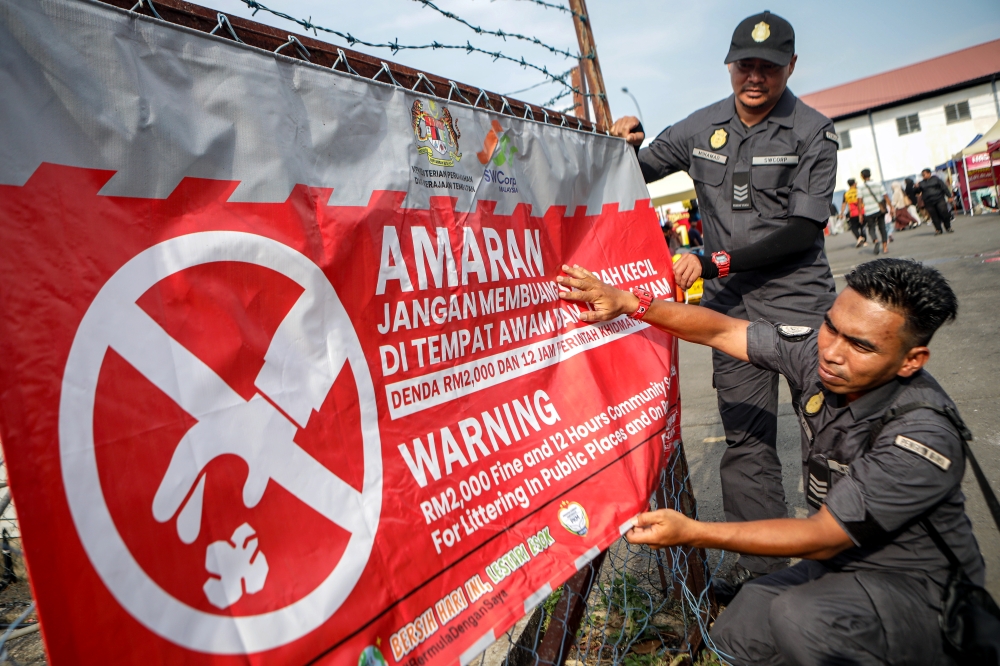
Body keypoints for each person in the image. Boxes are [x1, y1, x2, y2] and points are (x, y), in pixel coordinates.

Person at [556, 259, 983, 665]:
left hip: (921, 590)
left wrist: (695, 532)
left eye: (860, 345)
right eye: (832, 326)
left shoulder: (919, 436)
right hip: (843, 565)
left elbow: (821, 535)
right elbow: (723, 331)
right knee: (739, 631)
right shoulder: (820, 360)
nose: (833, 351)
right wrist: (632, 303)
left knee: (800, 617)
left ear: (912, 360)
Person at [609, 11, 839, 599]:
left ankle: (841, 560)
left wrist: (714, 262)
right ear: (730, 66)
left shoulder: (813, 132)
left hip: (799, 304)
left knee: (832, 437)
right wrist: (622, 141)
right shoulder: (701, 126)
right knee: (747, 442)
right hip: (730, 311)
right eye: (744, 65)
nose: (754, 77)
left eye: (767, 66)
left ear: (791, 66)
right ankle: (765, 579)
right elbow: (635, 170)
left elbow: (802, 231)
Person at [859, 168, 891, 255]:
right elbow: (885, 196)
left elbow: (860, 201)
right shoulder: (878, 184)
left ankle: (875, 240)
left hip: (869, 211)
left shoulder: (860, 187)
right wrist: (891, 207)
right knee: (882, 228)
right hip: (879, 209)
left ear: (862, 176)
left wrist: (860, 215)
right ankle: (885, 248)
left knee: (871, 228)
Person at [917, 168, 956, 235]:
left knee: (944, 212)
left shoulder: (936, 179)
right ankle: (938, 229)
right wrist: (916, 187)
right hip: (928, 201)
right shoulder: (921, 183)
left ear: (929, 173)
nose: (923, 176)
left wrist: (949, 196)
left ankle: (948, 227)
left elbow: (944, 187)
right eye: (922, 175)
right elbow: (917, 192)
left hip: (939, 199)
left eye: (924, 174)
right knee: (934, 216)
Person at [840, 178, 866, 246]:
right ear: (854, 183)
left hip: (852, 213)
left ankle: (859, 237)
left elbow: (844, 204)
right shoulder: (859, 191)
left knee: (854, 227)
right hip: (862, 212)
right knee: (862, 226)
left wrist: (841, 213)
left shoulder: (846, 193)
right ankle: (864, 241)